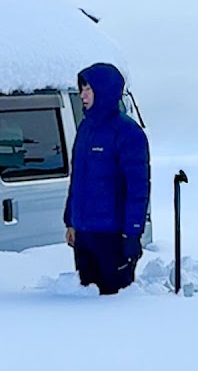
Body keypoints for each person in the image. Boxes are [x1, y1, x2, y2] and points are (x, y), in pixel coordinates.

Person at [63, 63, 151, 295]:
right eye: (81, 88)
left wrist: (132, 234)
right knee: (87, 300)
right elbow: (78, 180)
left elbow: (137, 189)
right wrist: (70, 221)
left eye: (88, 89)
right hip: (85, 235)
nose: (82, 94)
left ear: (104, 90)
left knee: (114, 307)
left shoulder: (128, 133)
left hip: (112, 238)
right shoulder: (85, 129)